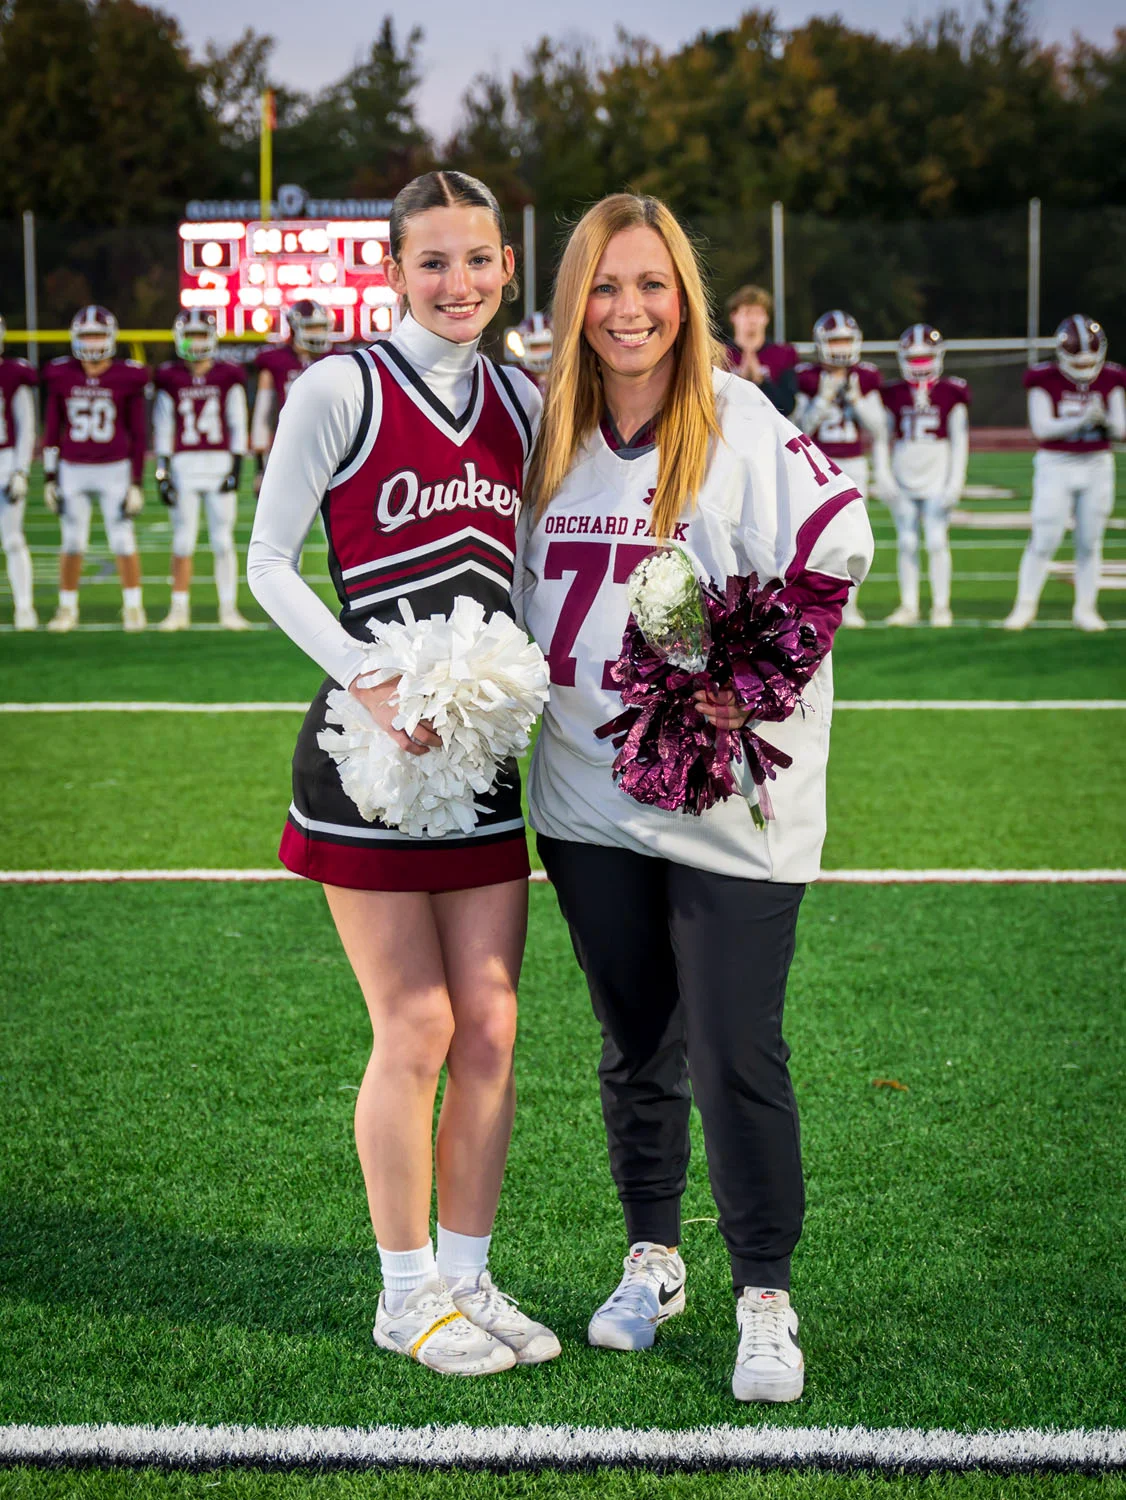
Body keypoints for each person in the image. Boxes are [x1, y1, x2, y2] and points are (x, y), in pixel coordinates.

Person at [515, 194, 873, 1403]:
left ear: (686, 301)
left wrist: (753, 681)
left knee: (734, 1049)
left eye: (651, 286)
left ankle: (764, 1292)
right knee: (635, 1047)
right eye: (604, 288)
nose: (627, 311)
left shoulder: (741, 427)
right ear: (573, 303)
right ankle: (653, 1257)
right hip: (580, 796)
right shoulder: (541, 438)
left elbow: (836, 549)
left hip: (724, 802)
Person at [247, 170, 559, 1377]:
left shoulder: (524, 402)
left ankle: (470, 1279)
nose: (460, 283)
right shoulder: (341, 386)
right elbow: (270, 563)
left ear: (504, 266)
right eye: (433, 262)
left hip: (478, 753)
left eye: (478, 259)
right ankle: (403, 1292)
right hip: (368, 754)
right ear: (391, 269)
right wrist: (367, 678)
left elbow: (528, 570)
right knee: (416, 1022)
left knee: (490, 1023)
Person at [1004, 314, 1125, 632]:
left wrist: (1107, 422)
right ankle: (1025, 606)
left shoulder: (1111, 377)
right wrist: (1083, 420)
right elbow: (1042, 429)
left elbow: (1122, 429)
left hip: (1097, 463)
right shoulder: (1044, 378)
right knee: (1044, 537)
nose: (1085, 369)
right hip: (1056, 464)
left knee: (1090, 540)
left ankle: (1086, 608)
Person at [42, 305, 148, 632]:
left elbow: (138, 433)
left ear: (111, 337)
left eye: (98, 334)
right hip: (73, 468)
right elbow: (52, 427)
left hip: (114, 467)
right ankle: (67, 608)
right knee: (72, 541)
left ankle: (133, 607)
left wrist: (136, 482)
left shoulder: (128, 375)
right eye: (87, 335)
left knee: (123, 541)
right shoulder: (61, 373)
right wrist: (49, 476)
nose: (92, 342)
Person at [153, 309, 251, 631]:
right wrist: (163, 470)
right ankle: (178, 609)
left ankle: (228, 608)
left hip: (219, 462)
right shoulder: (170, 377)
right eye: (190, 335)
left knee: (222, 541)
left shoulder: (228, 375)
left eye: (200, 335)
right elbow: (164, 426)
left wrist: (237, 465)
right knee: (183, 541)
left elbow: (237, 421)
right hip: (184, 465)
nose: (196, 343)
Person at [794, 310, 891, 628]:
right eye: (834, 340)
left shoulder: (865, 376)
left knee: (853, 538)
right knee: (813, 539)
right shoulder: (807, 377)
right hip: (816, 466)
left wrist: (855, 397)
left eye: (845, 340)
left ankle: (849, 607)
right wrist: (822, 399)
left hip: (853, 464)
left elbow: (878, 427)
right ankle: (809, 603)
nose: (840, 347)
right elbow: (799, 428)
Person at [880, 324, 971, 627]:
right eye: (915, 358)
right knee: (906, 542)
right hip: (904, 475)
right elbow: (882, 436)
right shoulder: (893, 392)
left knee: (935, 541)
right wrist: (883, 474)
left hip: (936, 475)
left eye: (925, 358)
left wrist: (955, 481)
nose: (920, 365)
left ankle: (941, 606)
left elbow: (960, 441)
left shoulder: (951, 392)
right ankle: (909, 605)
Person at [249, 299, 334, 485]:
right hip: (289, 445)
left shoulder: (337, 358)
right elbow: (263, 413)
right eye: (312, 327)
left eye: (320, 327)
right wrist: (260, 467)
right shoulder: (276, 361)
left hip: (331, 444)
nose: (318, 333)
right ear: (295, 328)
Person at [0, 313, 39, 630]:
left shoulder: (12, 374)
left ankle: (24, 607)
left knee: (12, 539)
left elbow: (26, 427)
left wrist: (21, 470)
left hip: (4, 462)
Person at [725, 285, 797, 417]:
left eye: (758, 313)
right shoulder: (720, 354)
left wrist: (762, 382)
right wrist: (738, 382)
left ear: (766, 318)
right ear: (733, 316)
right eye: (747, 313)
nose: (752, 320)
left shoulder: (783, 354)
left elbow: (787, 406)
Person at [505, 311, 553, 393]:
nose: (541, 352)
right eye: (535, 346)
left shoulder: (566, 374)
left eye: (545, 346)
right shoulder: (511, 377)